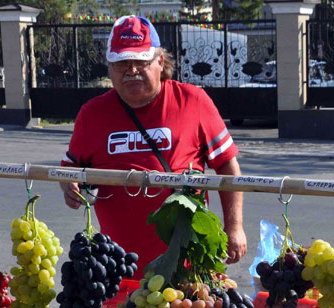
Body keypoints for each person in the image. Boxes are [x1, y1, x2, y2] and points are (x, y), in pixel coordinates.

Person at [59, 15, 247, 271]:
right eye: (122, 62)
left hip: (186, 264)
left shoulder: (194, 101)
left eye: (140, 60)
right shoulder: (92, 114)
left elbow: (227, 167)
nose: (131, 70)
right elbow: (70, 167)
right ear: (110, 68)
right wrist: (68, 183)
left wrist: (234, 227)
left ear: (160, 61)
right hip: (117, 267)